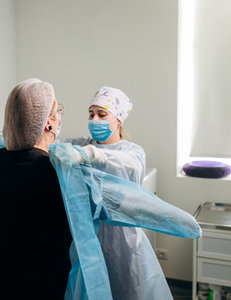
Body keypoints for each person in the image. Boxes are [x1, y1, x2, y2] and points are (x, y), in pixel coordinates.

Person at [0, 78, 71, 299]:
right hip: (33, 285)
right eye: (57, 110)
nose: (59, 116)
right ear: (48, 123)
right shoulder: (53, 169)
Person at [67, 86, 173, 300]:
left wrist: (98, 156)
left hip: (121, 238)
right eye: (91, 114)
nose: (95, 119)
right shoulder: (82, 144)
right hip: (88, 233)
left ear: (118, 119)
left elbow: (130, 167)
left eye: (102, 114)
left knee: (125, 288)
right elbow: (52, 146)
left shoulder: (131, 152)